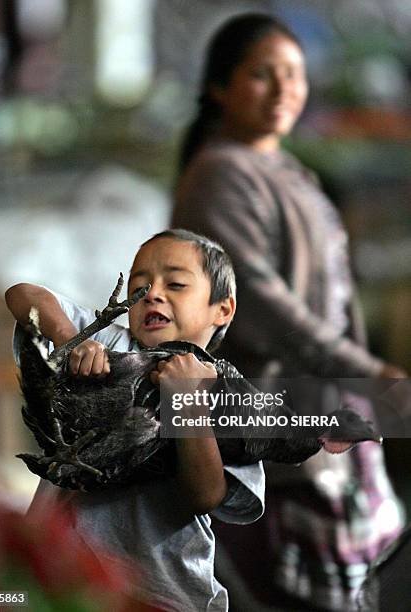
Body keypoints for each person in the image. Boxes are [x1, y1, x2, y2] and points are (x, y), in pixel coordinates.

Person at [172, 13, 406, 611]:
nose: (283, 91)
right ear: (220, 87)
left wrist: (359, 387)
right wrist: (368, 373)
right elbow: (261, 302)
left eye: (295, 75)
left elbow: (335, 299)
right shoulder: (221, 174)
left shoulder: (284, 168)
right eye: (262, 74)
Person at [5, 229, 265, 612]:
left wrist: (188, 403)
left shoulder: (228, 394)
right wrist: (71, 340)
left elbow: (206, 495)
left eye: (175, 284)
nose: (153, 294)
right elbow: (22, 294)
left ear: (222, 309)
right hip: (63, 580)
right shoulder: (109, 345)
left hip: (163, 593)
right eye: (139, 286)